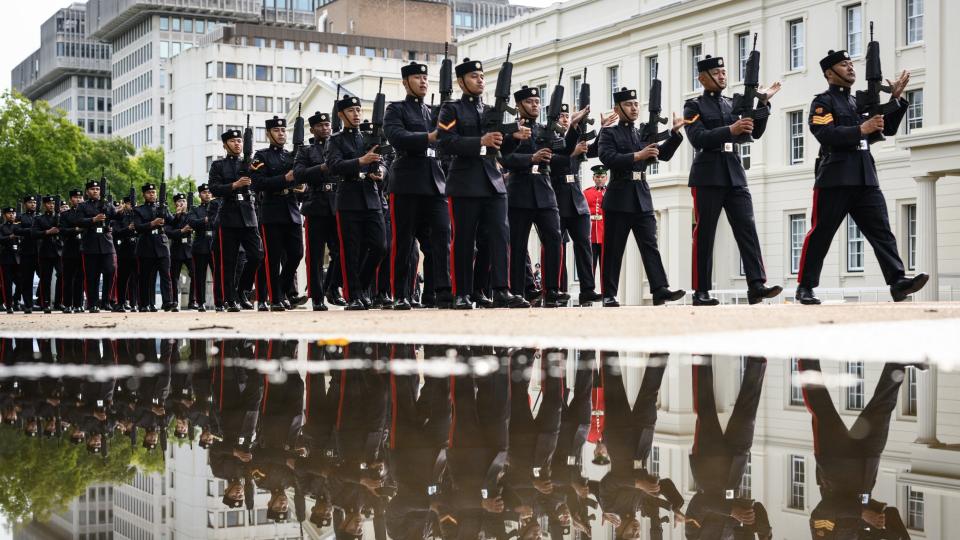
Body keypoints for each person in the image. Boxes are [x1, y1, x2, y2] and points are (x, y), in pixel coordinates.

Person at [796, 49, 927, 305]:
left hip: (865, 175)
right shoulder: (823, 102)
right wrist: (860, 128)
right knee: (821, 233)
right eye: (843, 65)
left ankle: (897, 282)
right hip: (835, 176)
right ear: (829, 74)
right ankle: (806, 287)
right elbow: (825, 134)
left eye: (850, 63)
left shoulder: (859, 102)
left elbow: (884, 129)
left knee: (882, 232)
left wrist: (896, 101)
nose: (850, 67)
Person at [684, 54, 783, 306]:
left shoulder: (732, 103)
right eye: (716, 73)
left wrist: (762, 105)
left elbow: (754, 133)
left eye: (724, 72)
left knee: (746, 228)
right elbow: (698, 138)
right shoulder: (693, 106)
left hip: (734, 172)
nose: (722, 76)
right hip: (708, 174)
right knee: (705, 233)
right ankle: (701, 290)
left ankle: (756, 285)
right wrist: (730, 130)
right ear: (702, 79)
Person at [436, 57, 529, 309]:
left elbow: (502, 149)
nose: (480, 80)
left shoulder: (490, 110)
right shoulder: (451, 109)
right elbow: (445, 142)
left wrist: (515, 138)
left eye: (482, 76)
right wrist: (480, 140)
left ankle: (501, 289)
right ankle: (462, 293)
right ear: (461, 81)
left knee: (500, 235)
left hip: (493, 182)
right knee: (464, 240)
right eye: (474, 76)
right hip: (465, 181)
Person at [799, 359, 917, 539]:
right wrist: (879, 521)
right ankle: (899, 361)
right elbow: (891, 516)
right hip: (866, 466)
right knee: (883, 407)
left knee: (821, 406)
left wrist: (861, 513)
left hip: (835, 463)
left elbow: (823, 512)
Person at [597, 87, 685, 307]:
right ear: (617, 108)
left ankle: (660, 289)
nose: (634, 108)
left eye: (636, 104)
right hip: (619, 196)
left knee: (650, 245)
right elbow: (608, 158)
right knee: (614, 250)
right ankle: (609, 294)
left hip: (642, 196)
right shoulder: (609, 133)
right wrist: (638, 155)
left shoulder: (642, 132)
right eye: (628, 104)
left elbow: (662, 155)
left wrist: (674, 134)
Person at [384, 61, 454, 310]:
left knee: (441, 240)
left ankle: (440, 293)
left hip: (435, 183)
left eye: (425, 78)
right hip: (407, 181)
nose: (423, 81)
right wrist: (428, 137)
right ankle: (401, 294)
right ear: (405, 82)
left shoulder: (435, 112)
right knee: (404, 242)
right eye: (417, 78)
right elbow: (396, 137)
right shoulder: (396, 109)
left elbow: (448, 143)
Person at [499, 85, 566, 308]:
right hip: (520, 190)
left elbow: (563, 155)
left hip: (545, 190)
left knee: (554, 239)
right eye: (529, 102)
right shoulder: (511, 130)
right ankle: (517, 292)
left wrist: (572, 130)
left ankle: (552, 290)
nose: (534, 105)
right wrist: (531, 159)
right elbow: (505, 158)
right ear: (518, 106)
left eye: (537, 102)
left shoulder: (546, 129)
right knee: (518, 244)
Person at [326, 95, 388, 310]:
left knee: (380, 246)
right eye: (351, 111)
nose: (356, 114)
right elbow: (333, 165)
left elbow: (384, 163)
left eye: (359, 110)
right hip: (348, 199)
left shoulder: (370, 138)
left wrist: (380, 172)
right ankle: (353, 296)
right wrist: (360, 162)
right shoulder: (335, 140)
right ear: (341, 115)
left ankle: (359, 287)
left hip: (371, 198)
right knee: (350, 251)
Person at [250, 116, 306, 311]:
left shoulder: (293, 156)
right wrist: (284, 178)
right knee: (272, 259)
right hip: (272, 210)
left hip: (291, 209)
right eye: (276, 131)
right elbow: (257, 184)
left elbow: (300, 179)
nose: (281, 134)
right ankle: (274, 299)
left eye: (283, 130)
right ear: (268, 134)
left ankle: (280, 291)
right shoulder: (261, 157)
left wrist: (301, 186)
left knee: (297, 254)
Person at [209, 129, 264, 312]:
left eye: (239, 140)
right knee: (229, 262)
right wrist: (235, 185)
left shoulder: (250, 163)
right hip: (229, 215)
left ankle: (242, 290)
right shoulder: (218, 165)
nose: (237, 144)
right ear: (225, 145)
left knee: (257, 255)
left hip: (249, 215)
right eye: (233, 141)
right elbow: (214, 189)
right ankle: (229, 299)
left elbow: (260, 183)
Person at [294, 112, 340, 311]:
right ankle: (317, 297)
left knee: (340, 253)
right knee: (315, 255)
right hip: (316, 204)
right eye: (320, 126)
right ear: (312, 130)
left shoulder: (338, 145)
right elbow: (298, 174)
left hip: (337, 204)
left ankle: (331, 287)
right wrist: (321, 168)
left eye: (327, 124)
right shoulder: (305, 151)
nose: (325, 128)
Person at [75, 180, 121, 313]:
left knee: (111, 270)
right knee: (91, 276)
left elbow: (116, 216)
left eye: (97, 189)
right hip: (90, 243)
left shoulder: (107, 204)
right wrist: (93, 220)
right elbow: (78, 221)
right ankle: (92, 303)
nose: (95, 191)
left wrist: (122, 211)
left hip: (106, 243)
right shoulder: (82, 206)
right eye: (92, 189)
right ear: (87, 192)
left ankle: (106, 301)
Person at [133, 183, 176, 312]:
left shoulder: (162, 207)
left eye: (154, 192)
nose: (152, 194)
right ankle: (144, 304)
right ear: (144, 195)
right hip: (146, 246)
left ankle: (167, 301)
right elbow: (137, 227)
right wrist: (152, 223)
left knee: (165, 275)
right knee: (145, 277)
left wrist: (178, 214)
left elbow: (172, 221)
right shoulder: (139, 210)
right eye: (149, 192)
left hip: (162, 245)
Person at [187, 184, 219, 312]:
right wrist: (205, 220)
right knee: (199, 276)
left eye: (209, 192)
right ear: (199, 195)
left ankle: (220, 301)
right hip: (200, 245)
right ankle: (200, 302)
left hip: (215, 245)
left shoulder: (217, 207)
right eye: (204, 192)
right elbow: (192, 222)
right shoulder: (195, 210)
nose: (207, 194)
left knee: (218, 275)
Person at [32, 196, 63, 314]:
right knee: (46, 278)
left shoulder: (60, 217)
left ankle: (59, 302)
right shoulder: (39, 219)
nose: (51, 205)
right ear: (45, 205)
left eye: (53, 203)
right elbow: (34, 233)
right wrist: (47, 232)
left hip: (59, 251)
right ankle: (45, 303)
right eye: (49, 203)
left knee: (62, 275)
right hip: (45, 251)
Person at [166, 193, 195, 310]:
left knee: (195, 274)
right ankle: (174, 302)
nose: (182, 203)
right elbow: (169, 232)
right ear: (175, 204)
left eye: (184, 201)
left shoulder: (191, 216)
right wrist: (182, 230)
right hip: (177, 249)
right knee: (174, 277)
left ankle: (192, 301)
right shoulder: (172, 217)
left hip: (189, 248)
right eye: (179, 201)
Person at [58, 190, 86, 313]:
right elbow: (62, 231)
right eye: (76, 197)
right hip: (70, 248)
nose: (78, 199)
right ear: (71, 200)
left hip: (84, 248)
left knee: (80, 278)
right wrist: (75, 229)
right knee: (68, 279)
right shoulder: (65, 215)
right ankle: (68, 304)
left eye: (80, 197)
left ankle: (78, 304)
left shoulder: (87, 213)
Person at [584, 165, 607, 277]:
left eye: (602, 176)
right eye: (597, 176)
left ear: (606, 178)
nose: (599, 179)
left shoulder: (610, 192)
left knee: (605, 267)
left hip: (604, 232)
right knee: (589, 265)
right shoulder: (586, 193)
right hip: (590, 232)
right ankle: (590, 291)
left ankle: (606, 293)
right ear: (593, 178)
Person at [0, 207, 21, 314]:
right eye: (9, 213)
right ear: (4, 215)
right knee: (7, 284)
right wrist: (10, 236)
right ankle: (9, 305)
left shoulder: (18, 226)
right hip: (6, 259)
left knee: (21, 282)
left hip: (18, 258)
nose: (12, 215)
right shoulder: (2, 227)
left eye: (13, 213)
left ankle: (16, 300)